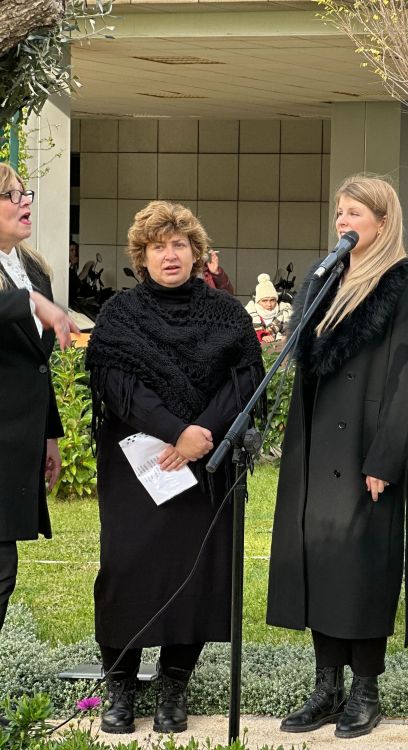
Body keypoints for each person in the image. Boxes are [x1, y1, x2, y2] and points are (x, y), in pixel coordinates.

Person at [85, 201, 263, 735]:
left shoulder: (227, 314)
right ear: (141, 256)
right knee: (126, 573)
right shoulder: (120, 314)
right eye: (158, 246)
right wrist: (174, 431)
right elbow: (117, 384)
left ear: (196, 252)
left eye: (179, 245)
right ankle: (120, 686)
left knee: (195, 577)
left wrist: (200, 433)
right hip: (137, 467)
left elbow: (244, 379)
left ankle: (173, 688)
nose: (169, 255)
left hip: (204, 468)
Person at [266, 175, 408, 739]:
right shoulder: (327, 281)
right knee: (322, 563)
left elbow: (407, 383)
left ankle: (365, 689)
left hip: (365, 454)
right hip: (317, 450)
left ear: (383, 223)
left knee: (361, 570)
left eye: (355, 213)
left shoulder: (403, 294)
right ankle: (326, 686)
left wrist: (384, 459)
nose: (343, 221)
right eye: (340, 212)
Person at [0, 163, 78, 637]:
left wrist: (49, 435)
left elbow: (36, 363)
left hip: (17, 444)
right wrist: (29, 302)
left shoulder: (32, 268)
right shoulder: (27, 288)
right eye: (11, 195)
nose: (25, 201)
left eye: (25, 192)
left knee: (3, 575)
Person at [245, 273, 292, 343]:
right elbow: (245, 334)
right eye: (264, 301)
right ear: (258, 301)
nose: (269, 304)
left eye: (272, 300)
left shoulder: (286, 311)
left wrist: (288, 336)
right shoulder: (249, 314)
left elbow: (292, 329)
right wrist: (261, 336)